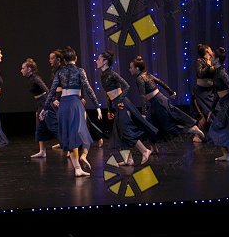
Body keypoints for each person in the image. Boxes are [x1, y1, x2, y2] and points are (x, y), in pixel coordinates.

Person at [40, 47, 102, 176]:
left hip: (63, 105)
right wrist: (97, 106)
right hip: (75, 104)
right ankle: (83, 157)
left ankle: (77, 168)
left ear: (64, 60)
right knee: (82, 132)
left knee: (69, 135)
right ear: (76, 58)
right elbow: (88, 89)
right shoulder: (80, 71)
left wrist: (45, 108)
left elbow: (52, 91)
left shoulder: (60, 72)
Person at [96, 51, 157, 166]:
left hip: (122, 103)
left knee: (126, 130)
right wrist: (109, 110)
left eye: (99, 59)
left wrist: (120, 100)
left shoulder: (112, 74)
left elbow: (126, 86)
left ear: (105, 62)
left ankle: (145, 151)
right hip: (117, 104)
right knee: (120, 132)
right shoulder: (102, 75)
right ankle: (128, 159)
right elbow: (108, 94)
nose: (96, 61)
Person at [129, 56, 206, 142]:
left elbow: (143, 96)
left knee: (168, 127)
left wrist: (143, 112)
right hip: (160, 100)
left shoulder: (139, 79)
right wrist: (171, 92)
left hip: (158, 103)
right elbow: (160, 82)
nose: (129, 69)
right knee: (156, 124)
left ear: (137, 68)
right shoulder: (146, 74)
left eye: (131, 67)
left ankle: (191, 130)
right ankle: (153, 146)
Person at [20, 58, 54, 158]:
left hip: (45, 102)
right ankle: (42, 151)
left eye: (23, 68)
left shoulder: (35, 78)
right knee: (40, 126)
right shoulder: (30, 78)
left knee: (53, 126)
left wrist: (46, 107)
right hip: (40, 103)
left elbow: (47, 90)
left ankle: (70, 148)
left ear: (29, 69)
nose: (21, 70)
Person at [192, 44, 217, 143]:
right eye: (210, 48)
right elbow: (200, 74)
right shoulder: (200, 61)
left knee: (212, 111)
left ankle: (206, 134)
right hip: (202, 92)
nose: (212, 50)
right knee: (206, 112)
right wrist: (208, 65)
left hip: (211, 90)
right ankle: (198, 135)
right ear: (207, 50)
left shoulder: (212, 60)